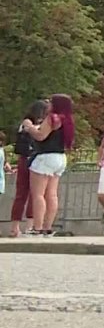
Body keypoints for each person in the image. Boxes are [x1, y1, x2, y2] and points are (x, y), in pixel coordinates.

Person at [24, 94, 75, 236]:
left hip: (45, 157)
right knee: (52, 194)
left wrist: (29, 128)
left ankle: (37, 227)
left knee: (38, 194)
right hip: (60, 157)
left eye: (51, 102)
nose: (48, 104)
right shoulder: (67, 120)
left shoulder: (52, 118)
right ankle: (47, 226)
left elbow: (41, 135)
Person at [7, 100, 45, 237]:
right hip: (35, 158)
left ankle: (14, 227)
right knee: (35, 193)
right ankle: (30, 225)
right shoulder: (39, 124)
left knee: (21, 193)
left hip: (23, 158)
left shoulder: (24, 123)